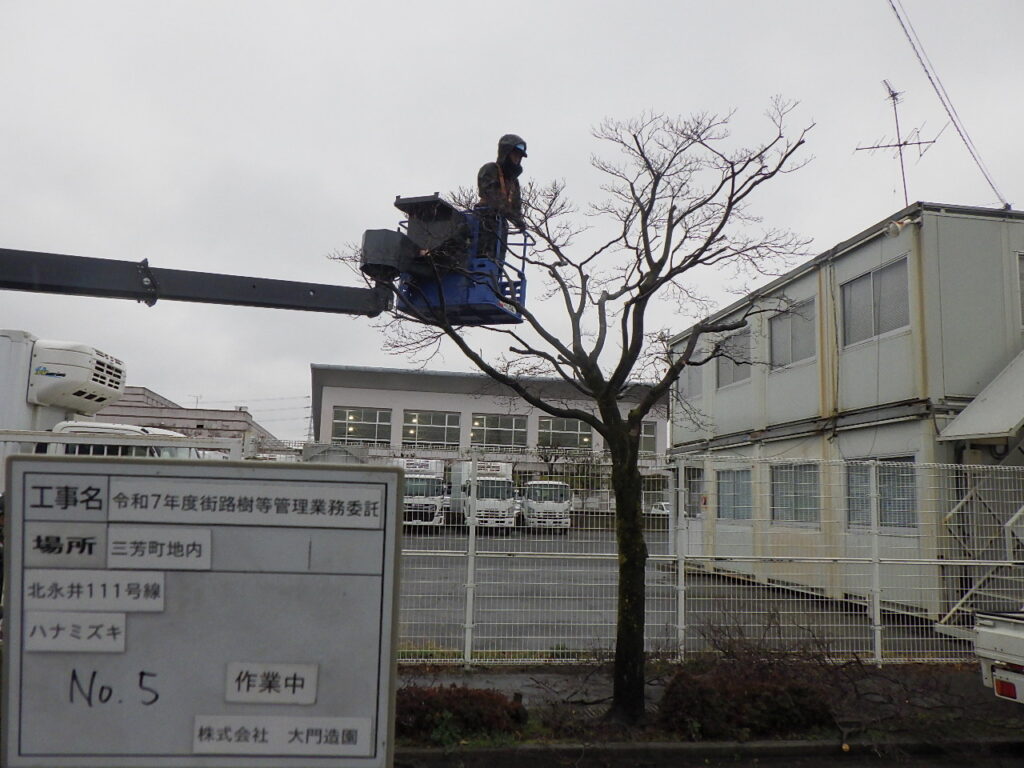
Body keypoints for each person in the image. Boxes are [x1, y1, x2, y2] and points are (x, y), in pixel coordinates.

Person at [476, 134, 527, 261]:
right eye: (514, 154)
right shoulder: (490, 169)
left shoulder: (514, 182)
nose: (517, 158)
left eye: (519, 156)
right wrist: (510, 214)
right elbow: (492, 196)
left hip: (501, 224)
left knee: (498, 260)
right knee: (484, 255)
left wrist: (519, 221)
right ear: (506, 153)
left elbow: (516, 208)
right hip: (485, 219)